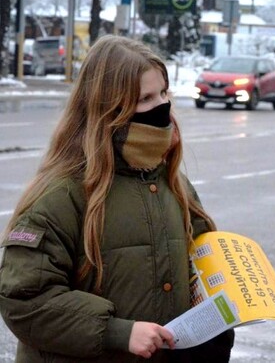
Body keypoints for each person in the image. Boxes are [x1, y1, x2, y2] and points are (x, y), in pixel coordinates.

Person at [0, 35, 234, 362]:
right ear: (109, 107)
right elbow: (23, 300)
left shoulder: (171, 182)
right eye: (146, 98)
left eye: (164, 93)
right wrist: (119, 332)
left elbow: (202, 264)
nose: (162, 106)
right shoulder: (61, 193)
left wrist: (218, 321)